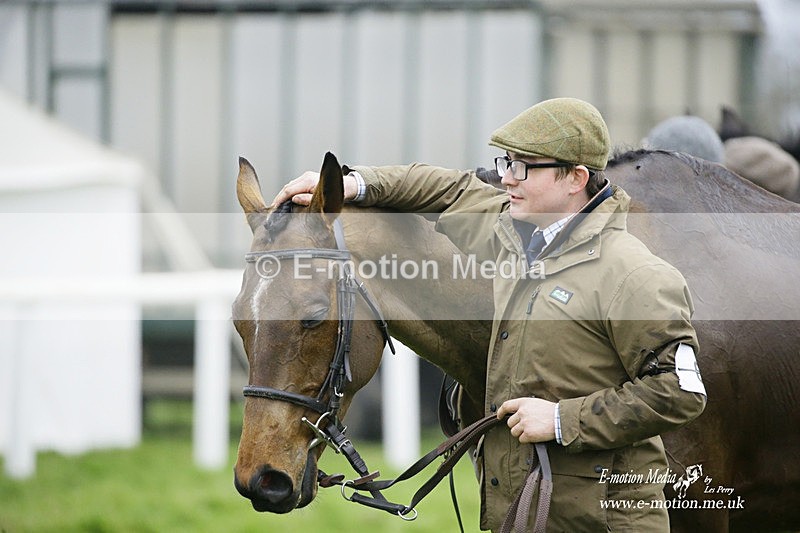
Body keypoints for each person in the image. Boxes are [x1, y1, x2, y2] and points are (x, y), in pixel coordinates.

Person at [272, 97, 707, 532]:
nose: (506, 178)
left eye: (523, 166)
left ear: (575, 178)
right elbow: (447, 188)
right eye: (507, 162)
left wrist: (561, 420)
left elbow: (681, 390)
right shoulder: (513, 233)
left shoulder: (636, 274)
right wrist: (355, 184)